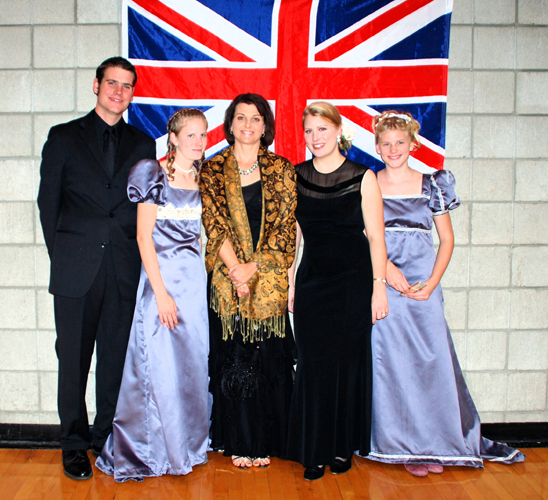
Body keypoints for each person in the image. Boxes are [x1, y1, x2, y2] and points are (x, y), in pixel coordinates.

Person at [368, 110, 525, 477]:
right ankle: (402, 446)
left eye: (400, 142)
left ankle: (435, 442)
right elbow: (364, 234)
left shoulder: (431, 184)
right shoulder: (369, 184)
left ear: (413, 144)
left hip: (423, 285)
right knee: (391, 364)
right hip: (384, 282)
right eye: (386, 143)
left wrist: (432, 282)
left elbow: (448, 239)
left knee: (430, 362)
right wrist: (387, 271)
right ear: (377, 147)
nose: (393, 149)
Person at [37, 57, 156, 480]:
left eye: (126, 85)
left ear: (132, 93)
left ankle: (106, 440)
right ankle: (73, 444)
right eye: (112, 83)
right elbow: (48, 204)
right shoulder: (63, 137)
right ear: (96, 85)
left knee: (114, 363)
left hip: (123, 268)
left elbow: (143, 208)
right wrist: (65, 257)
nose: (118, 91)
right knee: (72, 362)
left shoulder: (143, 144)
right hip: (76, 270)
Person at [95, 108, 210, 481]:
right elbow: (144, 237)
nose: (198, 141)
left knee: (191, 369)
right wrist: (160, 294)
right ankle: (151, 452)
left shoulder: (204, 178)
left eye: (203, 134)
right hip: (161, 284)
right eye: (190, 134)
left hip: (193, 287)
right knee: (157, 370)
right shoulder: (152, 174)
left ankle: (187, 447)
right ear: (173, 137)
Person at [286, 102, 389, 481]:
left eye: (322, 129)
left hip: (353, 283)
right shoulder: (296, 175)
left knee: (347, 365)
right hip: (313, 282)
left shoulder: (364, 177)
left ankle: (342, 446)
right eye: (309, 131)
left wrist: (379, 288)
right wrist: (291, 281)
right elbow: (295, 236)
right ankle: (314, 450)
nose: (315, 137)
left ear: (338, 130)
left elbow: (376, 238)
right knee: (313, 366)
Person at [200, 93, 297, 469]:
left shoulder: (281, 169)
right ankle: (238, 441)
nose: (248, 125)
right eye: (240, 117)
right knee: (233, 361)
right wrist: (236, 271)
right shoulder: (212, 169)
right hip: (227, 282)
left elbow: (285, 227)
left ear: (265, 125)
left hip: (268, 280)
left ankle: (267, 441)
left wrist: (253, 268)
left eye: (255, 118)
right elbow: (214, 224)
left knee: (267, 361)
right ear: (230, 124)